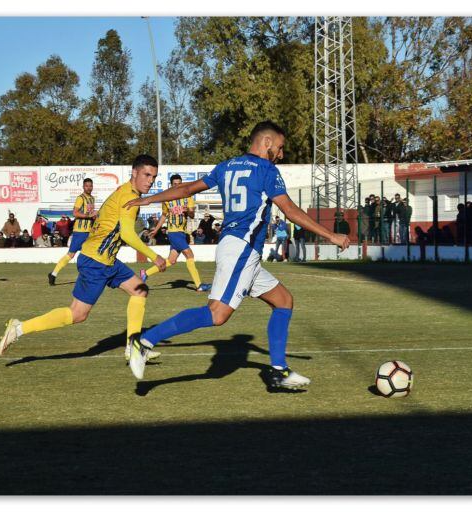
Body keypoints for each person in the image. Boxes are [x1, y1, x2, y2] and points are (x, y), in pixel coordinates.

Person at [122, 120, 350, 389]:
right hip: (242, 248)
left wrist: (150, 199)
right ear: (266, 142)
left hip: (240, 249)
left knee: (283, 301)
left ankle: (278, 371)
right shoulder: (267, 170)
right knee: (217, 315)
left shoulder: (226, 166)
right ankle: (144, 342)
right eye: (279, 147)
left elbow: (187, 189)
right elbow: (290, 211)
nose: (281, 154)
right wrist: (331, 235)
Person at [0, 154, 168, 364]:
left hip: (106, 260)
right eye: (146, 175)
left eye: (154, 177)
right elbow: (126, 234)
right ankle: (19, 328)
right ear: (134, 173)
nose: (150, 181)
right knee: (77, 314)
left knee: (140, 290)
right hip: (96, 261)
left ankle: (133, 347)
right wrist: (154, 256)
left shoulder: (128, 192)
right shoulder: (129, 197)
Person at [140, 173, 211, 292]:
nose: (177, 186)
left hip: (182, 232)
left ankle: (145, 273)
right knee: (189, 254)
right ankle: (199, 285)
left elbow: (192, 215)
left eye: (179, 184)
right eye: (175, 184)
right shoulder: (167, 199)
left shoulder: (188, 197)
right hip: (173, 232)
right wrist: (156, 230)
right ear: (171, 185)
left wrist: (188, 211)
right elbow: (164, 215)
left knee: (171, 260)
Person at [48, 178, 96, 285]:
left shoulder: (92, 198)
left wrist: (94, 218)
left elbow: (90, 213)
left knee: (90, 254)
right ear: (83, 187)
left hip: (89, 232)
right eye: (87, 186)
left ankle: (87, 276)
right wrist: (89, 216)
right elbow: (75, 213)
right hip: (80, 232)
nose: (89, 188)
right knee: (71, 254)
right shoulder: (80, 198)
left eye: (90, 186)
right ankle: (53, 274)